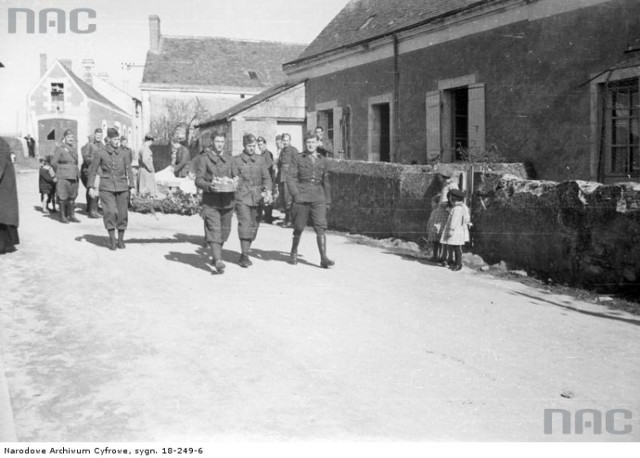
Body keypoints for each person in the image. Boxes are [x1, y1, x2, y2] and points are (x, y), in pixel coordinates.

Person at [287, 133, 334, 268]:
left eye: (313, 142)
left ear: (317, 143)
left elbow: (326, 182)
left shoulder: (323, 160)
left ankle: (323, 258)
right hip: (302, 197)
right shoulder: (298, 158)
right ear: (305, 144)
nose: (310, 145)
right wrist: (296, 195)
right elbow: (290, 178)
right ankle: (294, 251)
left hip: (318, 197)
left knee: (321, 227)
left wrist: (328, 201)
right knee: (299, 226)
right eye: (308, 142)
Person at [195, 132, 238, 274]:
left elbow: (237, 176)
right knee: (214, 230)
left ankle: (215, 254)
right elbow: (198, 180)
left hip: (227, 201)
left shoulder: (230, 159)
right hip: (211, 201)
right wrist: (208, 186)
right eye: (217, 141)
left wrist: (236, 182)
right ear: (212, 142)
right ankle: (218, 260)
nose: (220, 144)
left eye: (222, 141)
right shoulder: (204, 159)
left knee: (225, 232)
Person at [87, 127, 136, 251]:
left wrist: (132, 186)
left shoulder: (124, 153)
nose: (117, 141)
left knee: (122, 214)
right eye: (115, 139)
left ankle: (120, 240)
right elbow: (92, 171)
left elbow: (129, 170)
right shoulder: (101, 153)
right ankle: (112, 240)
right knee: (110, 212)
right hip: (106, 187)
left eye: (118, 139)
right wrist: (90, 187)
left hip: (122, 187)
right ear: (109, 139)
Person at [233, 133, 272, 268]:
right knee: (245, 224)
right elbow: (233, 177)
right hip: (242, 197)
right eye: (249, 146)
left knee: (254, 227)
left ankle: (246, 249)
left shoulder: (260, 160)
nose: (251, 148)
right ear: (244, 145)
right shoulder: (236, 160)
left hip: (257, 197)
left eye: (253, 146)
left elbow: (266, 178)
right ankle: (244, 255)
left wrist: (267, 191)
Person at [425, 166, 458, 263]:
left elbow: (453, 200)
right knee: (435, 235)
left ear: (443, 176)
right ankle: (436, 256)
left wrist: (444, 205)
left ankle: (444, 257)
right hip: (439, 212)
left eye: (439, 175)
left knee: (443, 237)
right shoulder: (446, 185)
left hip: (445, 213)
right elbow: (444, 196)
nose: (438, 177)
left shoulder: (452, 186)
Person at [51, 129, 80, 223]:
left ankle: (71, 215)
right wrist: (59, 172)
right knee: (63, 196)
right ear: (64, 139)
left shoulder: (74, 149)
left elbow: (76, 162)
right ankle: (63, 216)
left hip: (73, 175)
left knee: (72, 196)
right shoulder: (60, 148)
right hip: (63, 176)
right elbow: (54, 163)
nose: (71, 139)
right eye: (68, 137)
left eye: (72, 137)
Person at [440, 188, 471, 271]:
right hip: (456, 230)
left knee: (457, 247)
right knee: (455, 247)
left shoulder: (457, 209)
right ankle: (456, 262)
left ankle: (458, 263)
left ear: (454, 198)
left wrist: (451, 230)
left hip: (455, 231)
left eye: (450, 197)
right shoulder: (458, 207)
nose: (449, 199)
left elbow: (454, 220)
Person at [276, 133, 299, 228]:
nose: (285, 142)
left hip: (290, 178)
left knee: (288, 200)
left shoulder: (294, 151)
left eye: (287, 140)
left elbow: (297, 165)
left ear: (290, 141)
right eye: (284, 140)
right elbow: (279, 165)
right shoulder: (282, 151)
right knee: (283, 199)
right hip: (282, 177)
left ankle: (291, 221)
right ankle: (287, 219)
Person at [0, 142, 19, 254]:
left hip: (3, 188)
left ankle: (4, 246)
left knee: (3, 218)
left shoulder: (1, 145)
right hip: (4, 188)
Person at [81, 129, 104, 218]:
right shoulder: (90, 145)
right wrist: (95, 161)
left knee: (98, 190)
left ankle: (95, 210)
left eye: (100, 135)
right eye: (97, 134)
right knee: (94, 189)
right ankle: (92, 211)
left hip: (100, 171)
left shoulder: (103, 145)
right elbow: (85, 158)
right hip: (92, 170)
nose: (99, 136)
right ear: (94, 135)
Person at [256, 136, 276, 224]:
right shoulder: (261, 155)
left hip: (268, 179)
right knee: (263, 198)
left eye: (261, 144)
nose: (260, 146)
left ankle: (268, 217)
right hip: (262, 179)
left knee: (268, 198)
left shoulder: (268, 154)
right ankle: (265, 216)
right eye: (258, 145)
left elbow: (268, 166)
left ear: (265, 144)